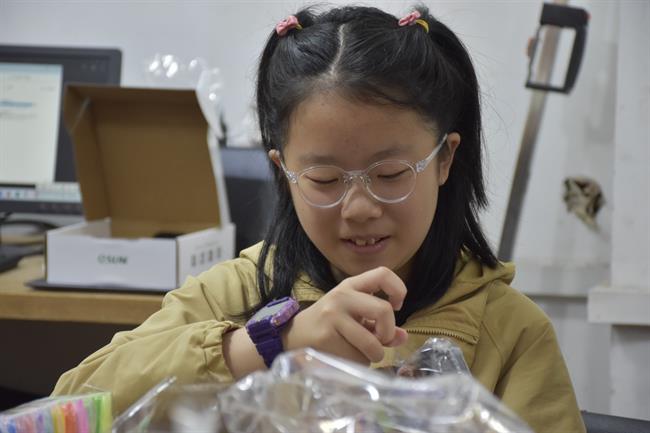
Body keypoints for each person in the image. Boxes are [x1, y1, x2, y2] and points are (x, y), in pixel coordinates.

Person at [53, 5, 585, 432]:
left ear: (444, 159)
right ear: (283, 172)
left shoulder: (510, 334)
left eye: (390, 174)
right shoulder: (239, 292)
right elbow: (70, 407)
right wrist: (268, 344)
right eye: (325, 180)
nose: (359, 207)